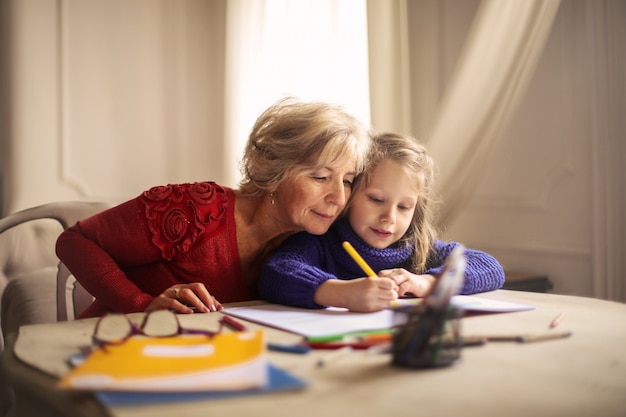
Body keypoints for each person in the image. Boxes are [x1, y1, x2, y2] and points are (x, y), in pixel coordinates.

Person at [56, 97, 371, 318]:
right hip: (107, 353)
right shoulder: (196, 209)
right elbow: (75, 241)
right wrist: (142, 304)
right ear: (275, 170)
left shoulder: (304, 244)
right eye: (320, 177)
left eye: (347, 181)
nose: (338, 197)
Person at [257, 132, 505, 312]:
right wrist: (342, 293)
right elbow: (276, 272)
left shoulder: (416, 248)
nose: (389, 218)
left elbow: (489, 266)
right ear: (351, 193)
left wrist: (427, 282)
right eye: (376, 199)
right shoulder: (321, 241)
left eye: (404, 207)